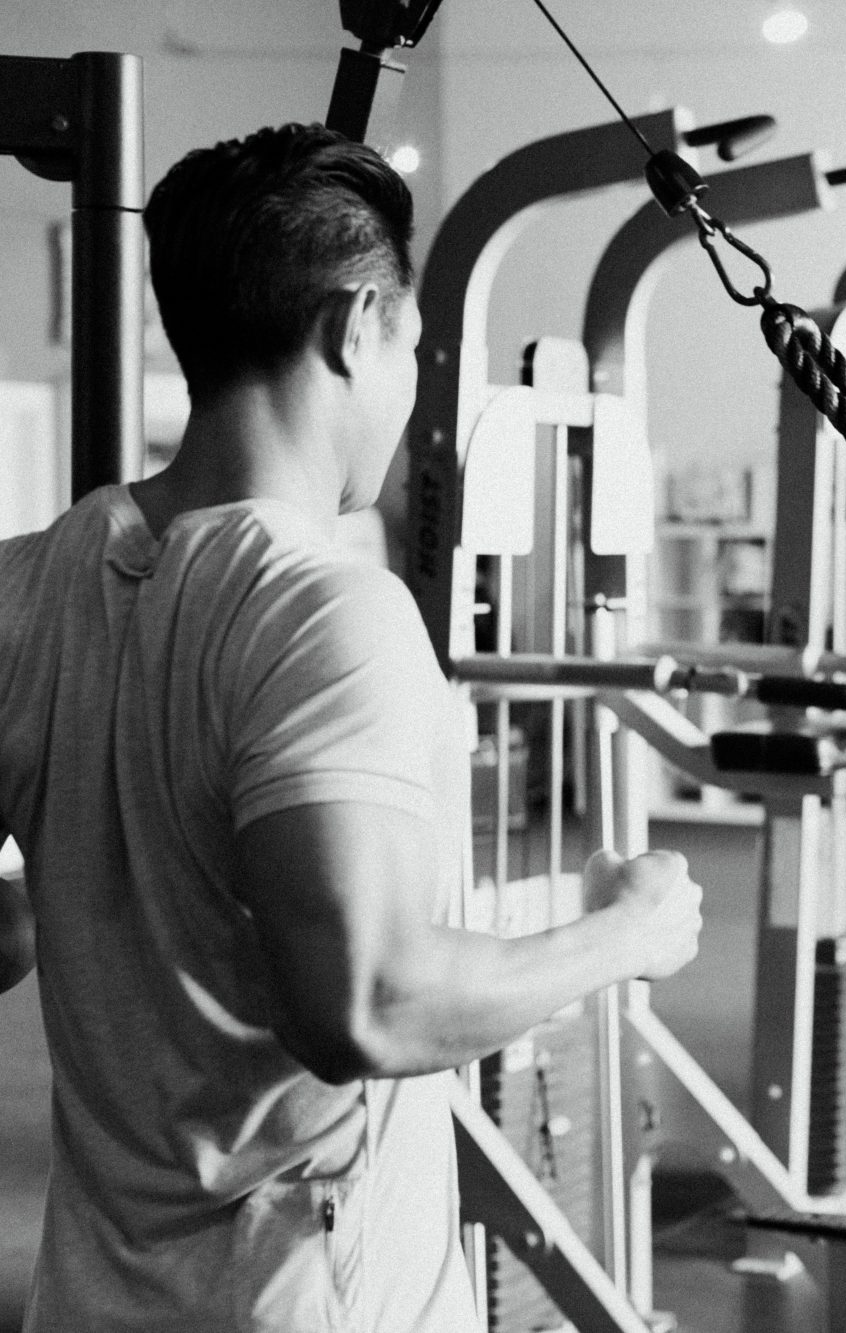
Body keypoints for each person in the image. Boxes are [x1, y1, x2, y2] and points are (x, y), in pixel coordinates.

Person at [0, 124, 703, 1332]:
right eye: (413, 348)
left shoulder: (23, 588)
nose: (411, 384)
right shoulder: (326, 610)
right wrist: (625, 932)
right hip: (298, 1303)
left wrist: (79, 898)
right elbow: (369, 1006)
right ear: (355, 325)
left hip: (90, 1296)